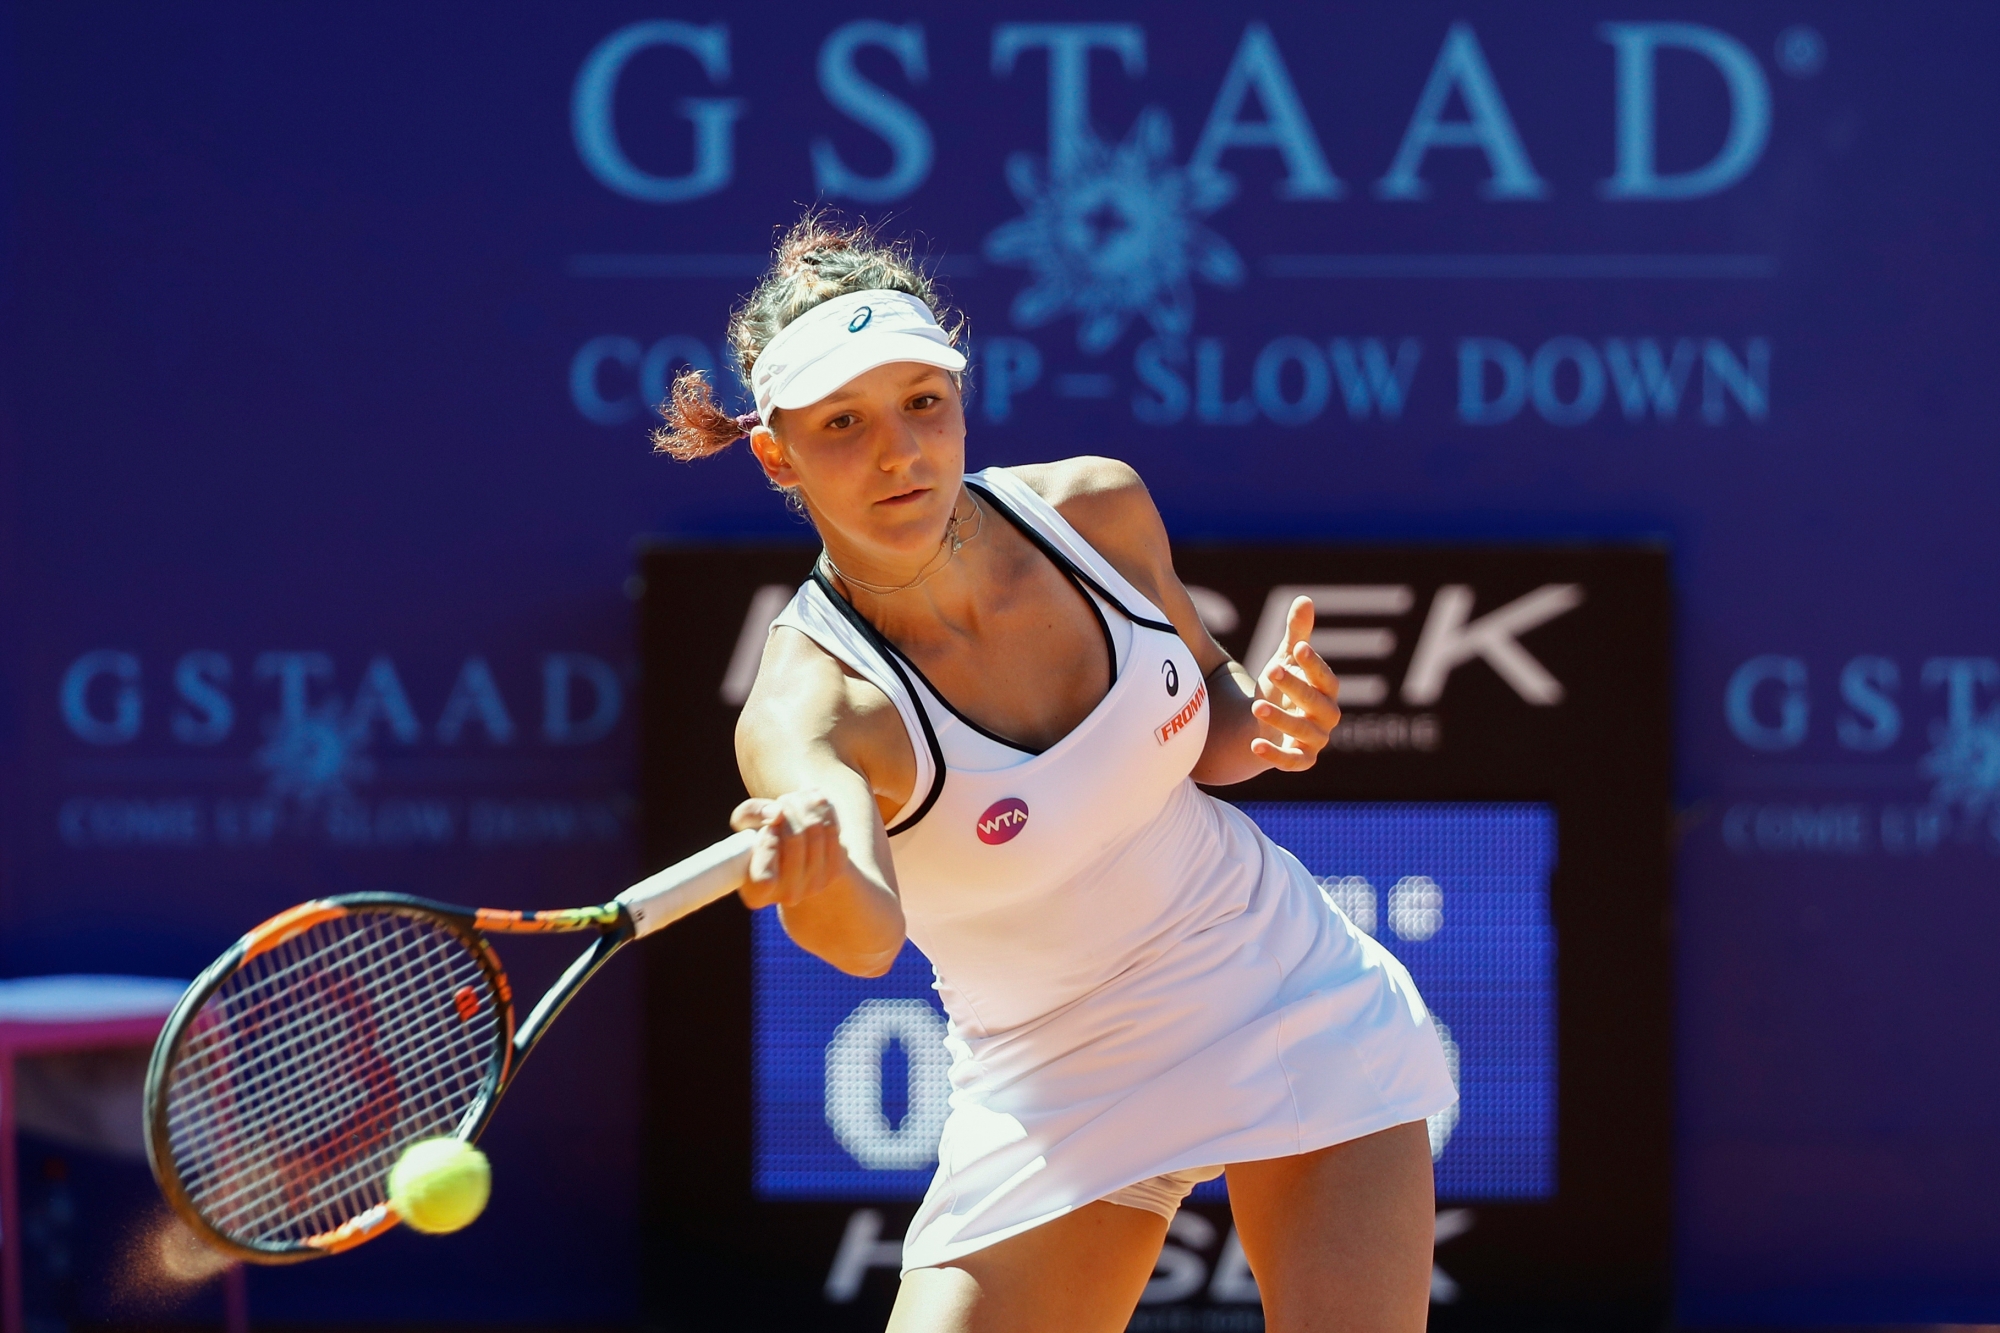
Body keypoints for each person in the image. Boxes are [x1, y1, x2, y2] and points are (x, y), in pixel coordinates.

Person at [658, 217, 1456, 1333]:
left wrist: (1269, 724)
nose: (899, 451)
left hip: (1277, 988)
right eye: (844, 422)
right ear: (776, 454)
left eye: (922, 403)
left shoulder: (1096, 509)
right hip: (1052, 1081)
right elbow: (864, 936)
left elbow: (1212, 715)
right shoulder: (813, 711)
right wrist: (805, 874)